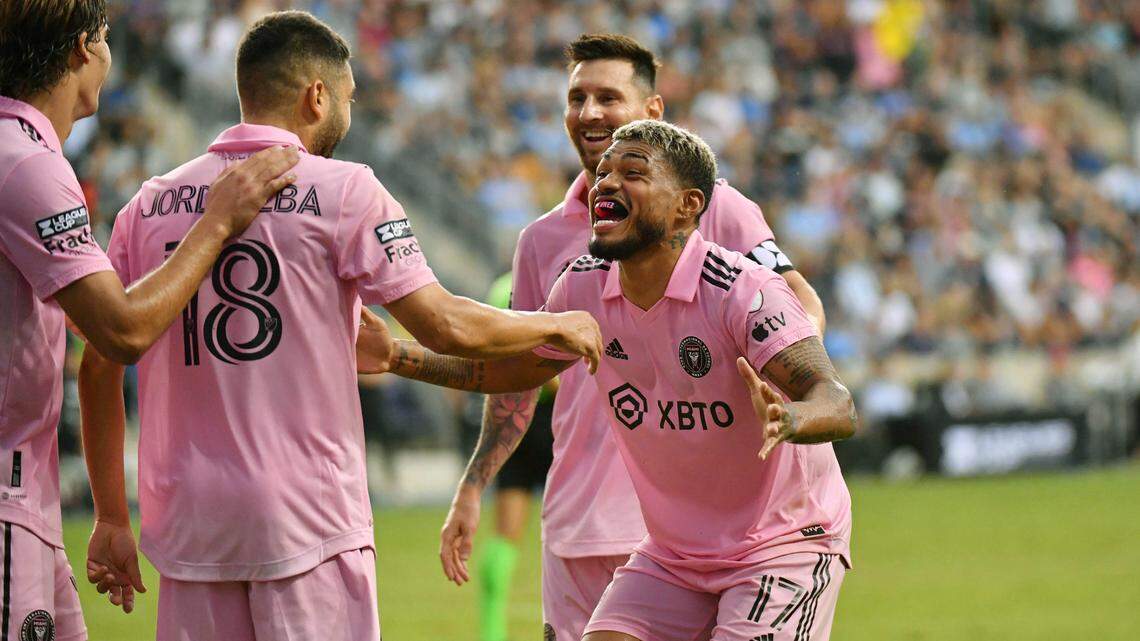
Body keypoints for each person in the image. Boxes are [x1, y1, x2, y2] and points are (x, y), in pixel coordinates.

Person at [76, 11, 602, 641]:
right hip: (308, 520)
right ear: (316, 96)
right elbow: (445, 325)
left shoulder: (152, 202)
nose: (349, 115)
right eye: (348, 99)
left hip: (189, 523)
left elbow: (100, 361)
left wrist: (110, 515)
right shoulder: (346, 190)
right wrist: (562, 323)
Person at [360, 120, 855, 641]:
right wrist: (396, 355)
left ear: (688, 205)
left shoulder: (743, 292)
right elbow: (508, 371)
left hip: (782, 541)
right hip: (676, 553)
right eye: (605, 172)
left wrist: (791, 417)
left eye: (633, 172)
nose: (607, 182)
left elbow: (837, 402)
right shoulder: (581, 284)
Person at [437, 33, 826, 641]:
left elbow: (798, 303)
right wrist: (475, 482)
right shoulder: (541, 242)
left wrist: (785, 388)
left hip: (676, 525)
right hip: (574, 519)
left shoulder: (709, 208)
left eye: (608, 98)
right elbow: (520, 375)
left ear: (651, 112)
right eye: (577, 98)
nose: (590, 113)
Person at [0, 1, 298, 638]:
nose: (110, 58)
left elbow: (88, 323)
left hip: (30, 499)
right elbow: (122, 330)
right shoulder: (25, 163)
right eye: (105, 40)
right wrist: (216, 221)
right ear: (83, 48)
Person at [472, 272, 558, 641]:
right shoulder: (566, 279)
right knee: (572, 530)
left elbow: (486, 350)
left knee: (506, 530)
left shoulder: (499, 287)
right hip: (559, 417)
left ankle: (492, 632)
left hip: (511, 413)